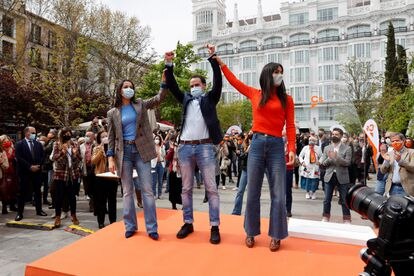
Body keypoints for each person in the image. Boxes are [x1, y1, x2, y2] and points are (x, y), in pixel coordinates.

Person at [216, 53, 296, 251]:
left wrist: (292, 148)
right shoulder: (255, 94)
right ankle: (250, 231)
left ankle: (277, 235)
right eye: (276, 72)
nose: (279, 75)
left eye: (281, 73)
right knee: (252, 191)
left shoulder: (287, 99)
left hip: (277, 145)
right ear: (268, 75)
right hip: (258, 144)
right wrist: (221, 64)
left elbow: (292, 126)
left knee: (278, 192)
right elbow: (234, 82)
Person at [164, 44, 222, 244]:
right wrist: (169, 65)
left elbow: (219, 80)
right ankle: (187, 222)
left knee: (211, 188)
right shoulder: (186, 99)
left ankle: (214, 226)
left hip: (205, 147)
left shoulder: (210, 99)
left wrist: (213, 57)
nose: (193, 87)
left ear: (203, 86)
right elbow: (172, 86)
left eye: (197, 84)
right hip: (185, 147)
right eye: (191, 85)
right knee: (186, 188)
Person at [106, 74, 168, 240]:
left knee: (147, 190)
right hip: (123, 153)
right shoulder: (112, 113)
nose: (129, 89)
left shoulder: (140, 104)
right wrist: (110, 158)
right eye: (125, 86)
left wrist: (164, 80)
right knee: (127, 192)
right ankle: (130, 226)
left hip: (142, 150)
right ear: (120, 91)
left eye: (130, 86)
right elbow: (111, 137)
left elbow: (158, 98)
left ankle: (152, 228)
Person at [319, 127, 352, 224]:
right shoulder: (326, 148)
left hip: (342, 176)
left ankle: (346, 219)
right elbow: (323, 164)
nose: (334, 136)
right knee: (326, 199)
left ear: (341, 136)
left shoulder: (347, 148)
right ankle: (325, 217)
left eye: (336, 134)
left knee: (344, 200)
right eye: (333, 134)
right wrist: (330, 159)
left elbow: (347, 163)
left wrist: (336, 157)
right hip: (329, 176)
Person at [14, 126, 47, 221]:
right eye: (32, 132)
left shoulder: (38, 144)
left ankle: (39, 210)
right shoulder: (19, 144)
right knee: (22, 193)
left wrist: (38, 166)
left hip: (37, 172)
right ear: (26, 133)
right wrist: (29, 167)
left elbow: (42, 156)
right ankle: (20, 213)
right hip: (24, 172)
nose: (34, 134)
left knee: (37, 192)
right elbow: (19, 158)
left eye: (35, 132)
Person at [51, 128, 82, 227]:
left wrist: (74, 154)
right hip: (61, 174)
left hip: (72, 174)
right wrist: (62, 152)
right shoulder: (57, 144)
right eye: (65, 134)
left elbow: (79, 159)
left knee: (72, 197)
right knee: (59, 197)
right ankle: (58, 217)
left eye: (69, 133)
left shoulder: (75, 144)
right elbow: (55, 159)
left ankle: (73, 215)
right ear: (62, 135)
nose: (67, 135)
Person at [92, 131, 118, 229]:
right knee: (101, 201)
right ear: (99, 139)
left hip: (112, 177)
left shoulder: (114, 148)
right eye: (103, 136)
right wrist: (101, 151)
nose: (105, 138)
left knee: (112, 201)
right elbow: (93, 161)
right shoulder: (96, 148)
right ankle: (101, 222)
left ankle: (113, 221)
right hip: (100, 177)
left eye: (107, 136)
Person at [380, 133, 414, 197]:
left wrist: (400, 161)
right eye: (393, 141)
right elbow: (383, 171)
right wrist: (387, 161)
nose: (395, 142)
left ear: (403, 141)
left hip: (406, 189)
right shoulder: (389, 154)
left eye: (397, 140)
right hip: (392, 188)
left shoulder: (411, 152)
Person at [298, 136, 322, 200]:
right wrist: (302, 162)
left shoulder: (318, 148)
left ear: (315, 141)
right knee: (307, 180)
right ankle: (307, 192)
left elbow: (322, 156)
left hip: (314, 167)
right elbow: (300, 156)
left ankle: (313, 192)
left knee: (314, 180)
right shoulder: (305, 148)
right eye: (310, 140)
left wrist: (319, 162)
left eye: (313, 140)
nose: (311, 141)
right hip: (307, 166)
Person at [151, 134, 165, 199]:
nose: (157, 140)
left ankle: (160, 194)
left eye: (158, 139)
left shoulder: (162, 147)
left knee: (160, 180)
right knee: (154, 180)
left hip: (161, 164)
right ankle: (153, 194)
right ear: (154, 140)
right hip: (154, 165)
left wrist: (162, 148)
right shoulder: (152, 147)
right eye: (156, 139)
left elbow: (164, 155)